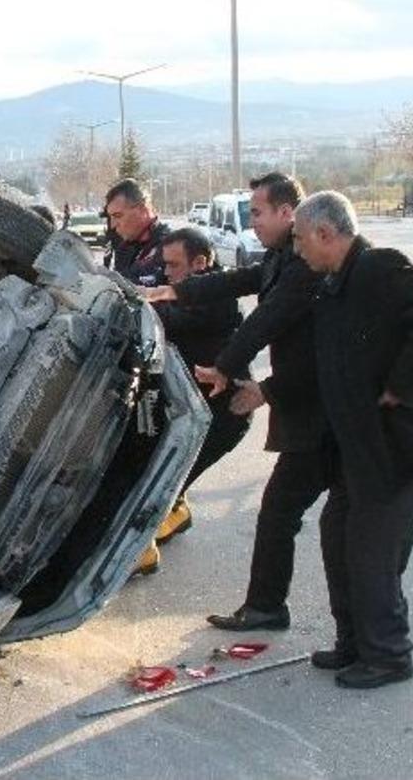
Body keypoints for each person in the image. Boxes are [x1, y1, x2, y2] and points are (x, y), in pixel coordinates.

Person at [295, 190, 413, 688]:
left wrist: (404, 387)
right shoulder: (333, 283)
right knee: (337, 537)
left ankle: (389, 654)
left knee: (372, 553)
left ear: (326, 234)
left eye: (303, 240)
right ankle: (354, 641)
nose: (299, 250)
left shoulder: (377, 267)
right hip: (356, 448)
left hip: (395, 445)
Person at [152, 173, 327, 631]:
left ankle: (375, 639)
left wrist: (226, 366)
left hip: (330, 410)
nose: (252, 223)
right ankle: (269, 606)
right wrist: (173, 289)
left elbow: (265, 320)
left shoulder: (303, 262)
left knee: (331, 522)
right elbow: (238, 281)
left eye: (257, 212)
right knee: (282, 512)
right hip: (309, 403)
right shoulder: (280, 257)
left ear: (288, 212)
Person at [135, 228, 252, 573]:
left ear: (200, 263)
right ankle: (176, 514)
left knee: (161, 483)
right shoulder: (184, 294)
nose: (166, 274)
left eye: (173, 266)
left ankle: (141, 553)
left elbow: (168, 323)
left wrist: (141, 303)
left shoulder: (216, 299)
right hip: (194, 412)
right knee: (165, 475)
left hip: (222, 417)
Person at [101, 178, 172, 283]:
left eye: (118, 216)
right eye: (110, 217)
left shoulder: (171, 247)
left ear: (143, 209)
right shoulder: (124, 246)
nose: (113, 225)